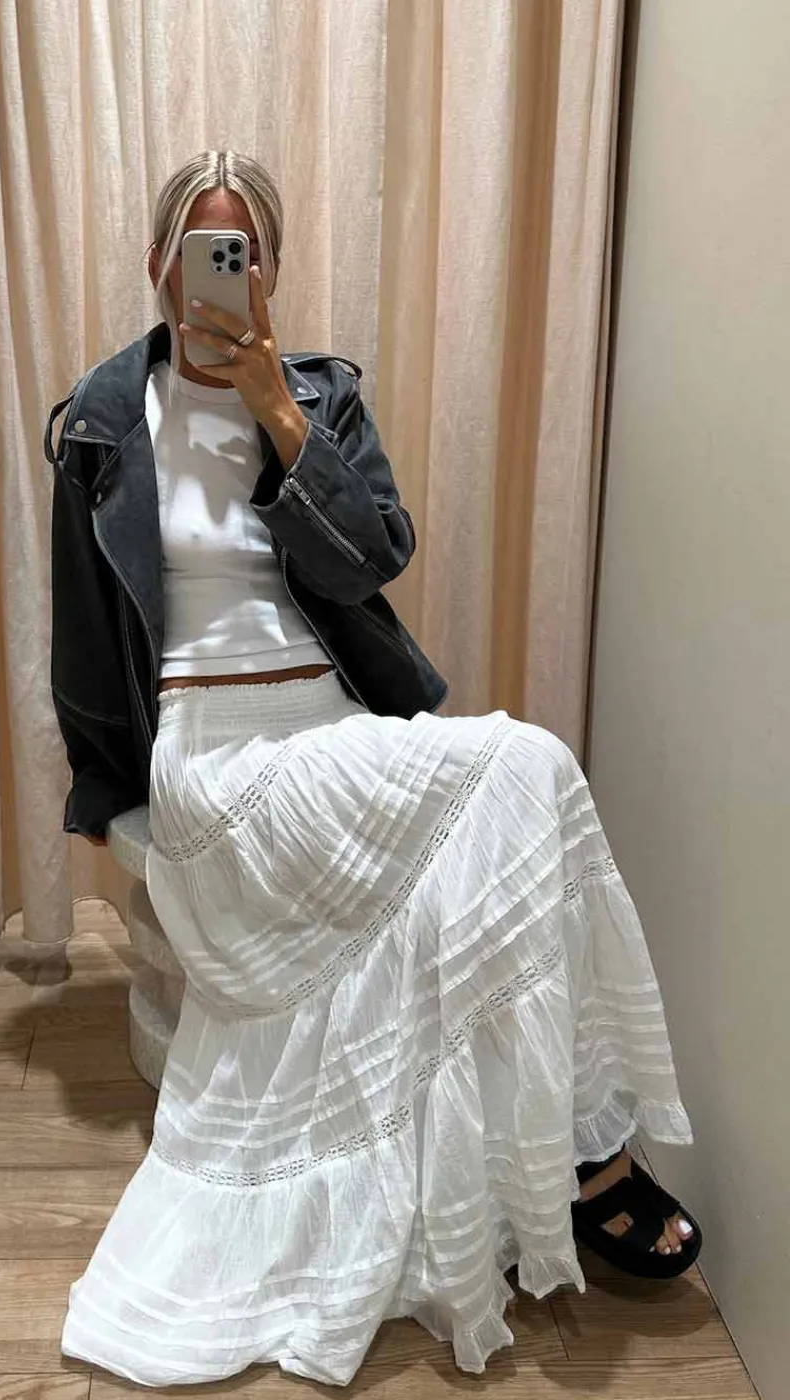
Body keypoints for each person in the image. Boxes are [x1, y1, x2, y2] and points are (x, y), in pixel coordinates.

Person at [45, 150, 699, 1388]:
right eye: (201, 251)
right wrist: (98, 785)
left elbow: (369, 561)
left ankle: (561, 1133)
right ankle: (579, 1155)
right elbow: (82, 629)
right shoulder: (98, 419)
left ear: (273, 269)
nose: (219, 275)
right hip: (211, 747)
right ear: (157, 263)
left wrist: (277, 413)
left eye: (244, 254)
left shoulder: (318, 394)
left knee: (528, 766)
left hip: (329, 715)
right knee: (509, 778)